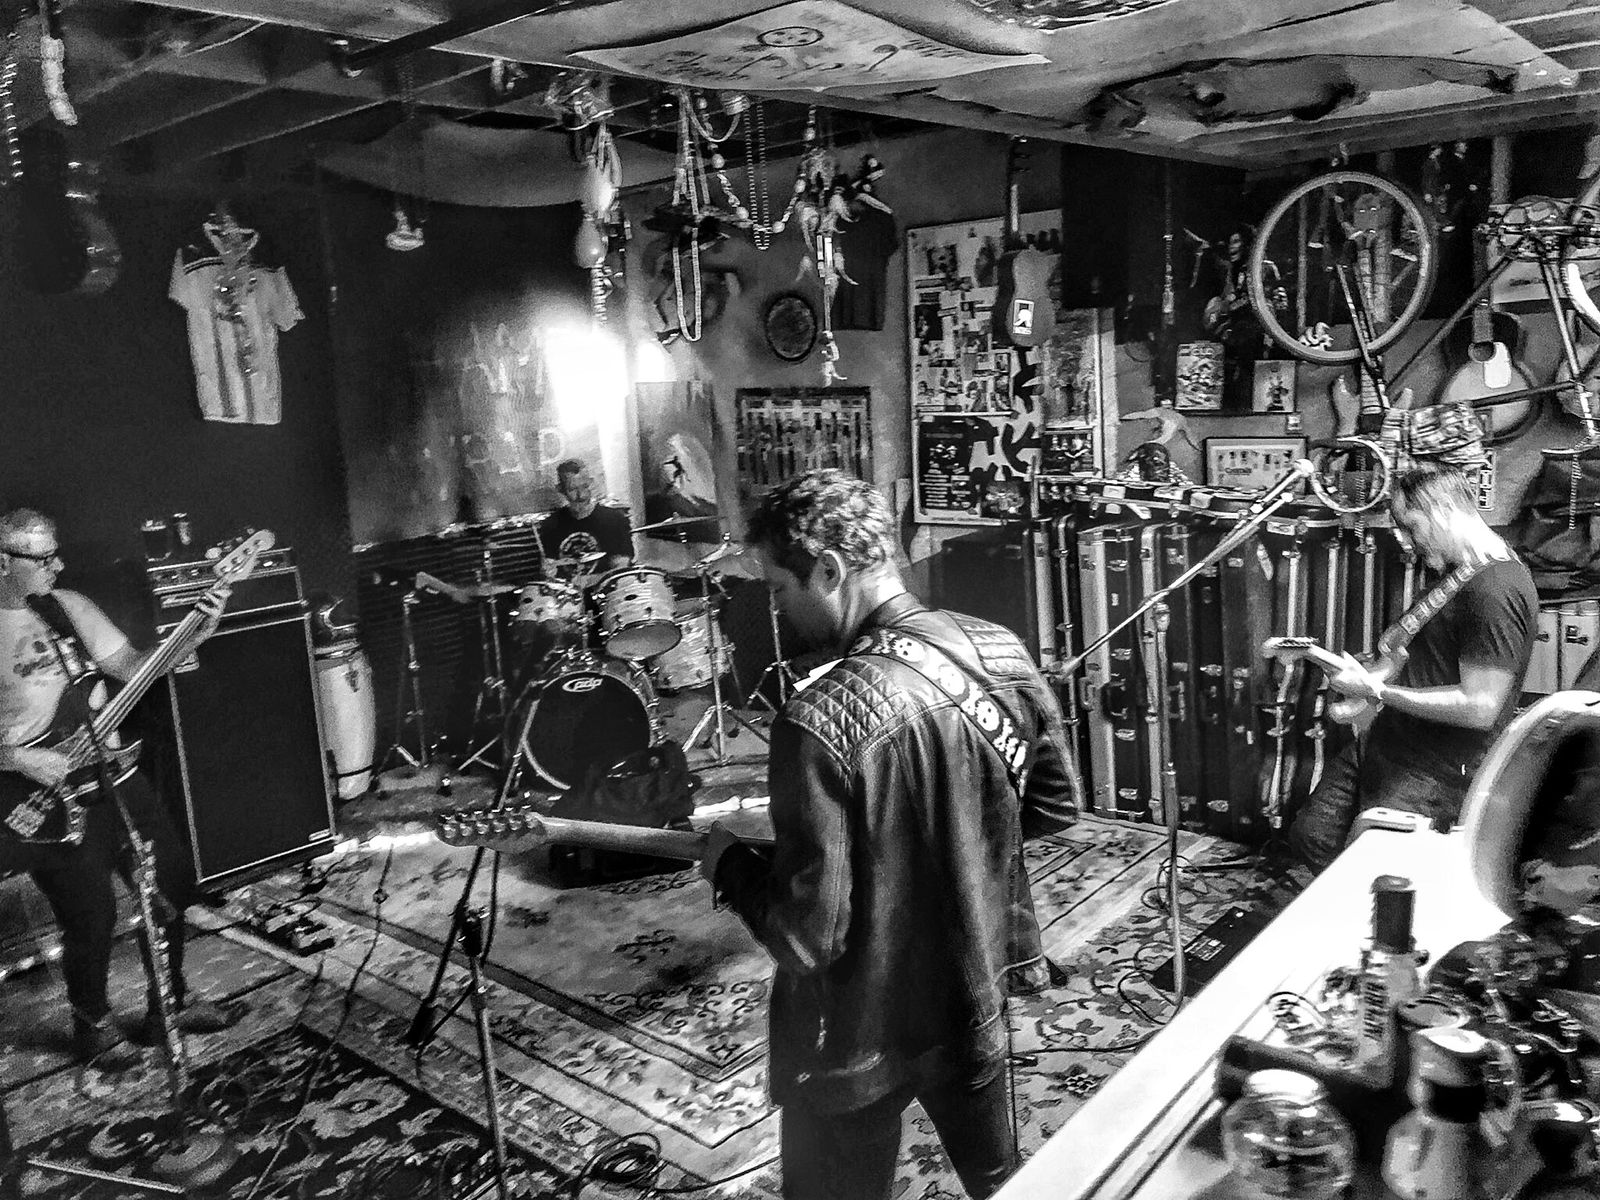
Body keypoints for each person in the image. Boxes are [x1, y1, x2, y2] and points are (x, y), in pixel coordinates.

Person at [699, 470, 1080, 1200]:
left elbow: (807, 939)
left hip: (856, 1034)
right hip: (973, 992)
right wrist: (954, 846)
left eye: (779, 588)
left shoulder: (816, 719)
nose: (777, 609)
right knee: (1001, 1183)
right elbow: (1055, 808)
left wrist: (729, 867)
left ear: (830, 570)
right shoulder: (998, 649)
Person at [0, 508, 235, 1067]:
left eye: (55, 553)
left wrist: (197, 632)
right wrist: (18, 758)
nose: (57, 566)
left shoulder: (68, 607)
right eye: (42, 558)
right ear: (3, 563)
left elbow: (133, 667)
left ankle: (168, 1005)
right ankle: (93, 1025)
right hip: (45, 793)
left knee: (170, 884)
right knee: (91, 916)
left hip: (114, 773)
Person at [1287, 462, 1537, 871]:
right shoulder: (1460, 573)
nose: (1405, 540)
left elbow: (1480, 707)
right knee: (1313, 835)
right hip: (1389, 742)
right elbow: (1422, 659)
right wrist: (1364, 675)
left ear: (1443, 509)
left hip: (1433, 771)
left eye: (1410, 525)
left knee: (1378, 874)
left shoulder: (1496, 589)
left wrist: (1376, 691)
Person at [538, 458, 633, 576]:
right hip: (569, 587)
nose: (581, 495)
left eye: (585, 487)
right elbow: (550, 564)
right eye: (572, 489)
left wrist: (618, 566)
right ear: (560, 490)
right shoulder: (551, 525)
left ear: (591, 483)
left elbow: (622, 563)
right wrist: (548, 569)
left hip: (605, 585)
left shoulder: (615, 519)